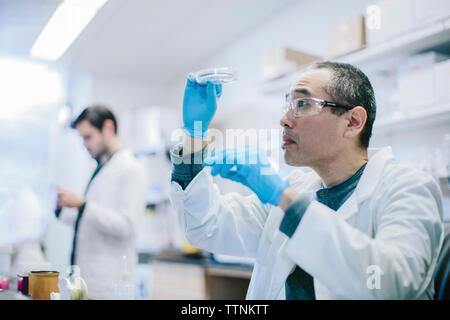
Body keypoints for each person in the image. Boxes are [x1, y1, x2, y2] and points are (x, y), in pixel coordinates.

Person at [169, 63, 444, 299]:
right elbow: (205, 225)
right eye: (287, 105)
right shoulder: (298, 188)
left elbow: (391, 285)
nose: (284, 120)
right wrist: (195, 131)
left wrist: (282, 196)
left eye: (302, 104)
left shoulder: (408, 189)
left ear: (353, 122)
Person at [55, 105, 148, 299]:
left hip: (109, 286)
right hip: (87, 284)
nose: (84, 144)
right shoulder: (102, 168)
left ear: (108, 128)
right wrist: (61, 209)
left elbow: (126, 225)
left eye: (88, 137)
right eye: (81, 138)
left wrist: (83, 205)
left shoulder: (131, 169)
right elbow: (90, 222)